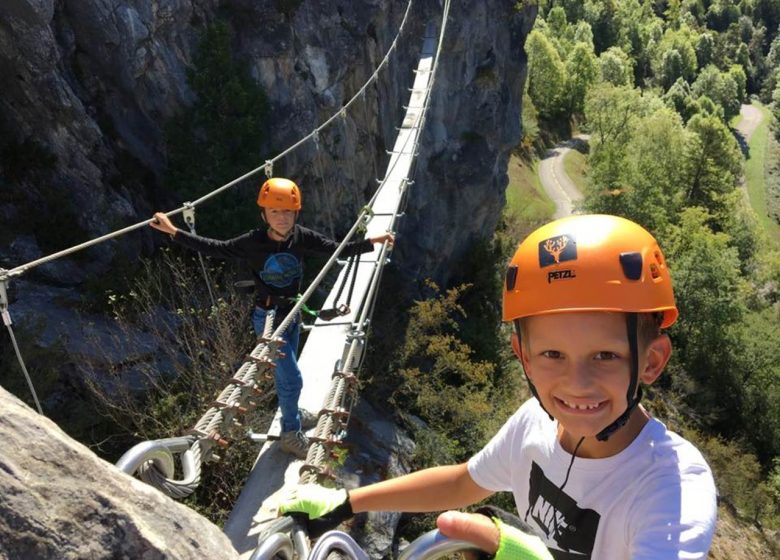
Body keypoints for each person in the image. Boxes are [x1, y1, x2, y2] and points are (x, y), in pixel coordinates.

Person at [278, 214, 717, 559]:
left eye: (605, 356)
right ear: (523, 356)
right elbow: (462, 483)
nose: (577, 384)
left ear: (652, 361)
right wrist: (347, 502)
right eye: (552, 356)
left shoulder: (672, 485)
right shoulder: (535, 426)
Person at [150, 177, 394, 459]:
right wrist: (174, 232)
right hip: (267, 316)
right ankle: (290, 433)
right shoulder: (253, 242)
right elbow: (215, 248)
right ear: (264, 214)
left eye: (288, 211)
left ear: (296, 213)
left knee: (285, 374)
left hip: (291, 313)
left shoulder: (303, 237)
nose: (282, 218)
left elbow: (335, 249)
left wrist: (371, 243)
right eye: (275, 212)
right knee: (292, 379)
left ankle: (293, 413)